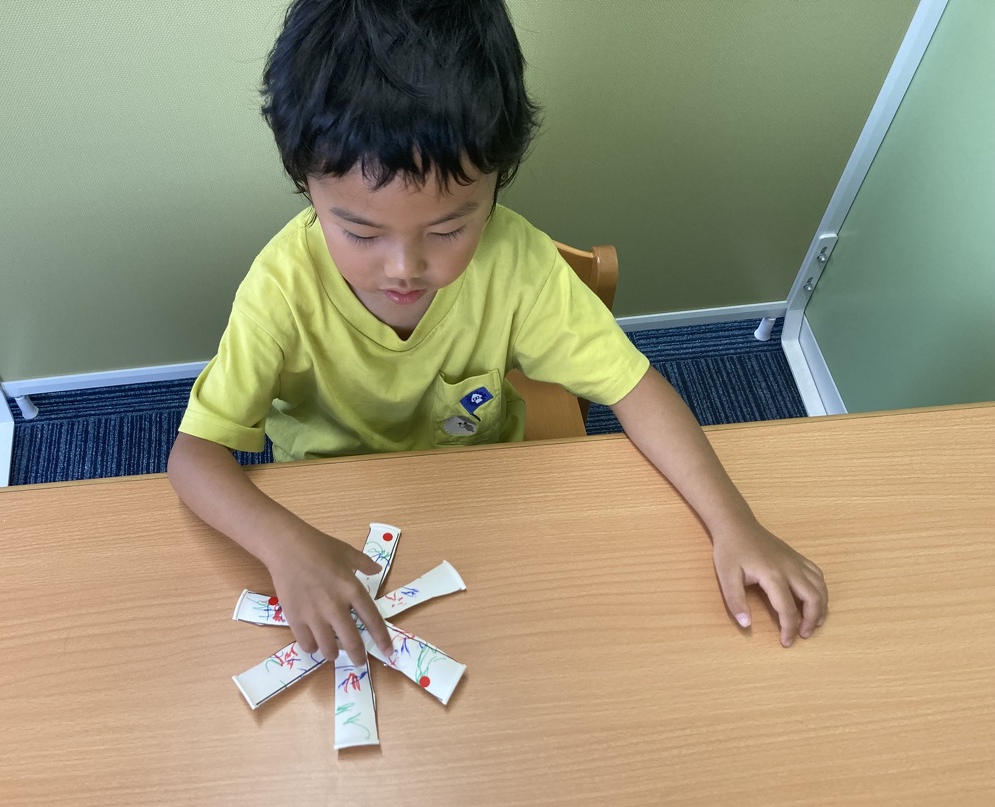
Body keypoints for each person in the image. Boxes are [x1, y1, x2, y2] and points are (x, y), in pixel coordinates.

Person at [168, 0, 827, 665]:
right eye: (361, 233)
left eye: (449, 229)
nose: (403, 268)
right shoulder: (281, 287)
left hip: (486, 497)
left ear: (495, 185)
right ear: (307, 187)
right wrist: (284, 544)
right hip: (324, 514)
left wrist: (735, 524)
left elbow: (636, 388)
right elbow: (194, 457)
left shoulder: (517, 265)